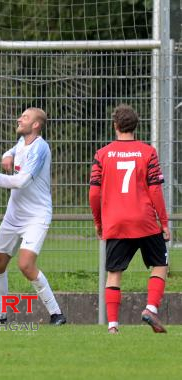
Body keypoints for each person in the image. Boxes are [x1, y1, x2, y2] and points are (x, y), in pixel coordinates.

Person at [89, 104, 169, 334]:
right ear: (136, 126)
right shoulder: (147, 152)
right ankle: (150, 308)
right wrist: (163, 222)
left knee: (114, 274)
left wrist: (98, 221)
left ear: (115, 125)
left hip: (115, 222)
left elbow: (94, 192)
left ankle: (113, 327)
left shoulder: (102, 154)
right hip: (143, 220)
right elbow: (155, 190)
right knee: (160, 265)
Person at [0, 107, 66, 326]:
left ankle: (56, 314)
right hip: (14, 215)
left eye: (25, 117)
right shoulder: (22, 142)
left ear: (36, 125)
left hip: (36, 216)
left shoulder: (40, 148)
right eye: (21, 116)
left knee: (26, 265)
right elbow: (13, 150)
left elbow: (20, 181)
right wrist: (6, 156)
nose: (19, 119)